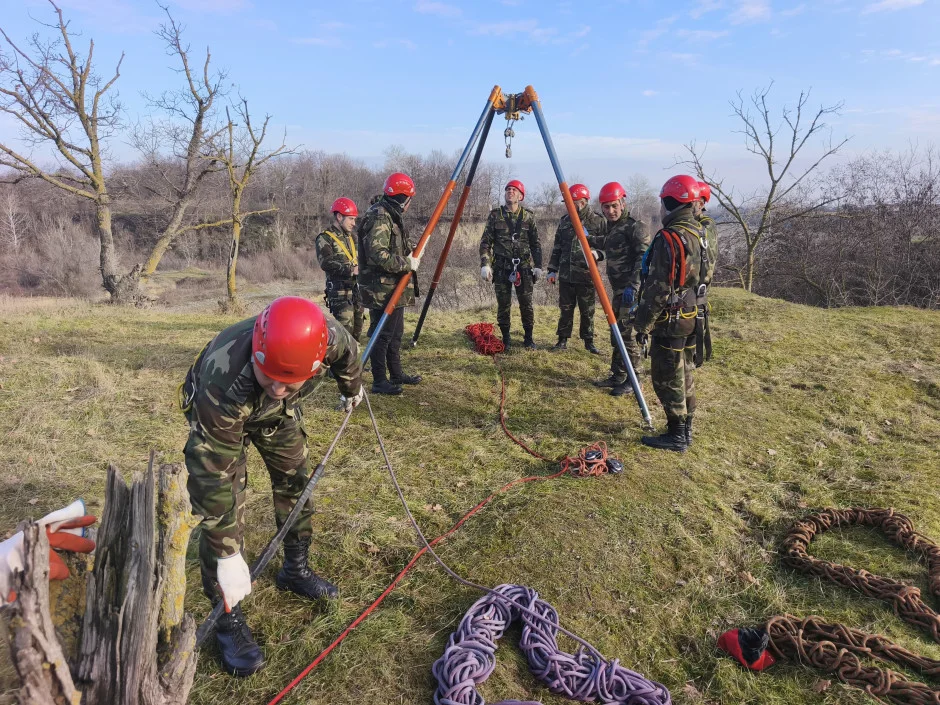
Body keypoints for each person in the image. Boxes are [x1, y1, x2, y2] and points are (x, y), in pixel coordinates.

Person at [180, 295, 363, 676]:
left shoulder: (326, 337)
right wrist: (227, 555)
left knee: (297, 482)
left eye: (289, 381)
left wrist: (351, 388)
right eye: (271, 377)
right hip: (225, 416)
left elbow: (349, 355)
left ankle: (295, 569)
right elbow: (211, 477)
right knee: (226, 507)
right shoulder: (222, 380)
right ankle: (228, 617)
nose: (279, 388)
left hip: (275, 419)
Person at [633, 175, 708, 452]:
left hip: (671, 318)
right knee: (685, 372)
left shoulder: (670, 237)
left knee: (668, 376)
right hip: (693, 313)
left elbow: (658, 288)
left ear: (669, 202)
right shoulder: (701, 232)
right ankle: (685, 430)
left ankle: (677, 434)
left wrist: (642, 324)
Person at [358, 172, 423, 395]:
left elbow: (394, 246)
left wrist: (411, 252)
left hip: (395, 286)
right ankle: (379, 380)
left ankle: (396, 374)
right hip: (381, 289)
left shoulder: (392, 215)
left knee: (395, 334)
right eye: (409, 199)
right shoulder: (380, 216)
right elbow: (377, 254)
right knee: (382, 334)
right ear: (403, 199)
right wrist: (407, 263)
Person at [593, 182, 650, 396]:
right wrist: (588, 241)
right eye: (606, 207)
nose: (611, 211)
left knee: (627, 335)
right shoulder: (613, 227)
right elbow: (608, 244)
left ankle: (635, 380)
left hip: (631, 291)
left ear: (623, 203)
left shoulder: (635, 227)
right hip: (618, 291)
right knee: (616, 333)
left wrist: (634, 286)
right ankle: (617, 375)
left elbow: (643, 257)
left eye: (614, 206)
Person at [479, 179, 543, 349]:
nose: (510, 191)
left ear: (521, 196)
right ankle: (506, 338)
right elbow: (486, 242)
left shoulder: (528, 216)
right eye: (508, 189)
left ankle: (528, 338)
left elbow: (536, 244)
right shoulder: (495, 215)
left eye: (514, 190)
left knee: (526, 304)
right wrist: (485, 264)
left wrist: (538, 266)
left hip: (523, 267)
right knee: (503, 304)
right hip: (501, 267)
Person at [546, 183, 606, 353]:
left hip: (587, 275)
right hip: (566, 274)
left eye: (571, 202)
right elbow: (557, 247)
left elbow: (609, 245)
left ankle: (589, 341)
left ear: (582, 202)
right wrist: (552, 270)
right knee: (565, 309)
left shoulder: (598, 221)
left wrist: (598, 254)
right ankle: (562, 340)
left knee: (587, 310)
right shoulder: (565, 221)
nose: (568, 205)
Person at [315, 197, 364, 342]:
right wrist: (351, 269)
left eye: (355, 219)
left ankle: (355, 357)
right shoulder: (325, 238)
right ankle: (341, 358)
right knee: (345, 336)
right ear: (339, 217)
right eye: (351, 219)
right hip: (340, 294)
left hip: (356, 292)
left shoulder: (352, 237)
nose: (354, 223)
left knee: (357, 332)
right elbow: (326, 263)